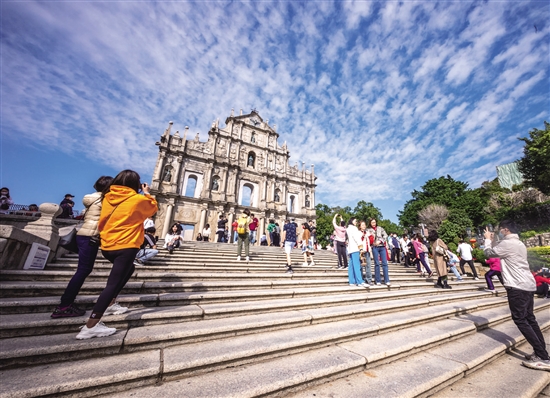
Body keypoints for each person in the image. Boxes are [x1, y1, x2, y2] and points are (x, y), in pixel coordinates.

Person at [76, 170, 157, 339]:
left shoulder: (108, 197)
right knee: (112, 284)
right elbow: (152, 208)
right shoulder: (137, 199)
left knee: (128, 270)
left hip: (107, 246)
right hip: (126, 245)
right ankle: (91, 325)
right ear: (135, 185)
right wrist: (147, 192)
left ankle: (111, 303)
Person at [484, 220, 550, 370]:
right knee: (530, 319)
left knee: (520, 319)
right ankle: (542, 353)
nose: (500, 231)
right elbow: (500, 251)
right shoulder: (518, 243)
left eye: (501, 230)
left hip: (517, 286)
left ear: (506, 230)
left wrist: (487, 240)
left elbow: (488, 253)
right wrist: (493, 241)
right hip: (527, 284)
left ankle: (543, 357)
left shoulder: (509, 244)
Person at [51, 176, 113, 318]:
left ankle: (66, 304)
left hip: (83, 234)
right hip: (91, 236)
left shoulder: (92, 199)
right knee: (83, 270)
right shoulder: (105, 200)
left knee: (84, 270)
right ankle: (64, 306)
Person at [367, 218, 390, 286]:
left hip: (382, 246)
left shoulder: (380, 228)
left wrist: (380, 241)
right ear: (370, 223)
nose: (373, 223)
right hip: (374, 247)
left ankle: (387, 280)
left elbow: (385, 235)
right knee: (376, 263)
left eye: (374, 222)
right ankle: (378, 280)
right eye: (372, 222)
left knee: (384, 263)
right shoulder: (368, 230)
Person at [346, 218, 368, 287]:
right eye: (355, 221)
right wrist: (360, 247)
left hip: (350, 249)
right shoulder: (354, 228)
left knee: (351, 266)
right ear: (352, 221)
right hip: (355, 248)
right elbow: (357, 238)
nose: (356, 222)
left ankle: (352, 281)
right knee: (357, 265)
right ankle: (360, 281)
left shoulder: (348, 229)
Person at [358, 220, 373, 285]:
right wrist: (363, 236)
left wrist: (371, 236)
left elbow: (371, 240)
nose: (364, 226)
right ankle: (361, 279)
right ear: (360, 226)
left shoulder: (367, 232)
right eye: (362, 225)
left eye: (364, 225)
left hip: (367, 250)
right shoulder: (358, 233)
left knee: (368, 265)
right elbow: (359, 240)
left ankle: (369, 279)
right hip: (361, 251)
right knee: (361, 265)